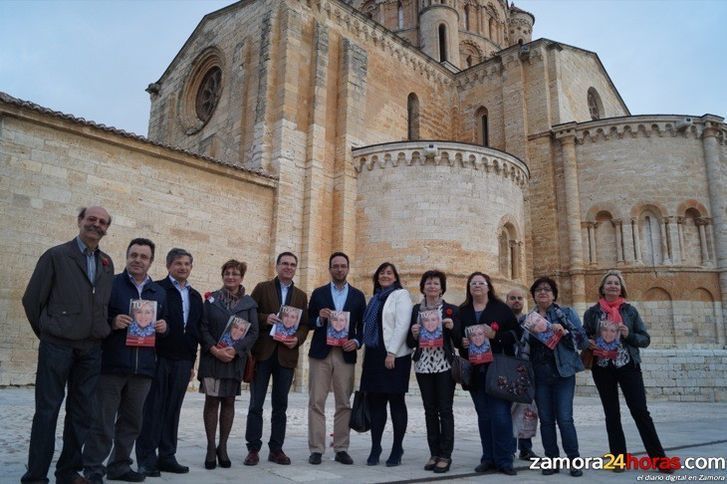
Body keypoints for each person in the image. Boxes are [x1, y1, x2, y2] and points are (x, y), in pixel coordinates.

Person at [21, 206, 115, 484]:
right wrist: (50, 332)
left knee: (81, 413)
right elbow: (32, 300)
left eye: (102, 222)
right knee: (47, 412)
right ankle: (36, 475)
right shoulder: (56, 255)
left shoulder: (107, 263)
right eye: (91, 219)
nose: (96, 225)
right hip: (57, 347)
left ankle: (68, 471)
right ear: (80, 221)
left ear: (106, 228)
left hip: (91, 350)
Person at [82, 238, 168, 483]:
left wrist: (164, 326)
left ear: (151, 261)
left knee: (132, 422)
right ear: (127, 256)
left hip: (143, 369)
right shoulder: (111, 284)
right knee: (103, 421)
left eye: (143, 256)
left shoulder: (158, 292)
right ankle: (93, 469)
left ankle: (120, 466)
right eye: (134, 255)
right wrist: (112, 322)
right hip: (112, 365)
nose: (138, 260)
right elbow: (94, 319)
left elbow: (166, 326)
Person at [583, 270, 673, 473]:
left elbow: (645, 339)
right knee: (611, 414)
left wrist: (628, 333)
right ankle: (618, 460)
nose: (613, 286)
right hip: (603, 367)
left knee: (640, 411)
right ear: (603, 288)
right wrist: (588, 342)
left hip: (628, 366)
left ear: (621, 288)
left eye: (616, 283)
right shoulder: (592, 312)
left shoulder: (630, 311)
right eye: (609, 283)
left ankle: (659, 460)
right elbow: (583, 336)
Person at [136, 248, 203, 476]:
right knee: (152, 409)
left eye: (186, 264)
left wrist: (193, 361)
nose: (183, 267)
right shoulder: (157, 290)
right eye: (178, 263)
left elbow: (195, 330)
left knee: (173, 409)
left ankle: (167, 455)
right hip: (159, 357)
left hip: (184, 360)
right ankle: (146, 458)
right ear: (168, 266)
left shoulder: (195, 296)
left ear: (191, 267)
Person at [245, 252, 309, 466]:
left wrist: (297, 339)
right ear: (277, 266)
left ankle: (276, 449)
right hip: (263, 353)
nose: (288, 267)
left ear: (295, 268)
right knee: (256, 403)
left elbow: (304, 325)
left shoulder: (300, 295)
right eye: (285, 263)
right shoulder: (262, 288)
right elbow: (249, 314)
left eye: (292, 264)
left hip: (286, 355)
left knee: (280, 405)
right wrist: (265, 318)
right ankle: (253, 448)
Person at [198, 259, 259, 470]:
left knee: (229, 402)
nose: (230, 277)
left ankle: (222, 447)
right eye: (227, 273)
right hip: (212, 358)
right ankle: (209, 447)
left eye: (235, 273)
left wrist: (236, 350)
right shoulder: (211, 300)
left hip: (234, 360)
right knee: (212, 401)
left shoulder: (249, 303)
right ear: (222, 275)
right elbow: (202, 327)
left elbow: (253, 332)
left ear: (242, 277)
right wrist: (214, 349)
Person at [306, 252, 366, 466]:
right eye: (335, 266)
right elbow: (308, 320)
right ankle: (316, 449)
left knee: (343, 402)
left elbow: (363, 327)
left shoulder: (358, 296)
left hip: (345, 353)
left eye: (343, 266)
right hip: (321, 353)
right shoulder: (319, 293)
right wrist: (319, 319)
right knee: (316, 402)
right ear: (329, 269)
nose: (339, 269)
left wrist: (357, 342)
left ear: (348, 268)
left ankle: (341, 448)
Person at [457, 272, 519, 476]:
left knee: (500, 416)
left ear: (488, 287)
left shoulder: (501, 309)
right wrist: (462, 343)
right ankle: (488, 458)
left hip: (497, 369)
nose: (477, 286)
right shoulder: (463, 311)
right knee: (484, 416)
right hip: (475, 371)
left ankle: (505, 459)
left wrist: (495, 336)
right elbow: (457, 337)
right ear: (469, 287)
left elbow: (515, 335)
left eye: (481, 283)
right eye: (473, 283)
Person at [528, 277, 588, 477]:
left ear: (554, 295)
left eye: (547, 290)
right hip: (540, 375)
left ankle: (574, 460)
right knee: (546, 420)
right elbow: (523, 347)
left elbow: (582, 339)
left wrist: (565, 332)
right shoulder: (530, 318)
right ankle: (551, 460)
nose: (542, 293)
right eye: (538, 290)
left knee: (564, 419)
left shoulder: (566, 313)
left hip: (562, 373)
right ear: (534, 296)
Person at [406, 270, 459, 473]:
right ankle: (434, 452)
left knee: (445, 409)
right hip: (423, 364)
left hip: (444, 364)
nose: (432, 286)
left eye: (436, 283)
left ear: (442, 287)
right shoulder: (415, 310)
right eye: (428, 283)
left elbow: (459, 336)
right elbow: (410, 342)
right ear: (423, 287)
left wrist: (452, 326)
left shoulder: (450, 310)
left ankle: (446, 454)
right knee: (429, 410)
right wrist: (413, 333)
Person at [361, 262, 413, 467]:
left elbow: (402, 324)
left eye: (389, 273)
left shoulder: (401, 295)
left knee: (396, 402)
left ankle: (397, 448)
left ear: (395, 277)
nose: (385, 275)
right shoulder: (374, 298)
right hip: (374, 354)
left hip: (395, 355)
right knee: (376, 403)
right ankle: (376, 447)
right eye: (382, 272)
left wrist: (391, 352)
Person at [505, 288, 539, 461]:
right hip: (507, 370)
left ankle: (526, 448)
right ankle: (509, 449)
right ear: (507, 300)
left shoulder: (530, 320)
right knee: (509, 410)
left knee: (527, 409)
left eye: (519, 298)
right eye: (512, 298)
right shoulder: (502, 320)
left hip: (527, 369)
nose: (516, 301)